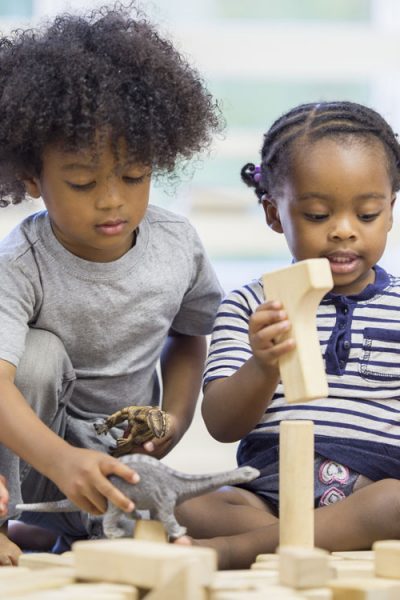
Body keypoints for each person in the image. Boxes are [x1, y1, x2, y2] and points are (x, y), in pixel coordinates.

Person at [0, 3, 223, 563]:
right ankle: (17, 522)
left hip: (120, 461)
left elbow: (191, 335)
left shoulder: (177, 245)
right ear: (32, 178)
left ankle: (78, 530)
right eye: (81, 181)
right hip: (36, 467)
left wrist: (174, 415)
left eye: (133, 176)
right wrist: (58, 460)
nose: (112, 201)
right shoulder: (19, 264)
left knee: (217, 513)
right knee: (38, 356)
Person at [175, 100, 400, 569]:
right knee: (175, 499)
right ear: (274, 213)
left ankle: (240, 550)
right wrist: (262, 363)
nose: (344, 231)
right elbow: (222, 425)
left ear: (391, 211)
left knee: (393, 502)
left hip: (371, 490)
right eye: (317, 215)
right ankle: (308, 540)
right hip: (266, 492)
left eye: (367, 215)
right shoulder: (250, 306)